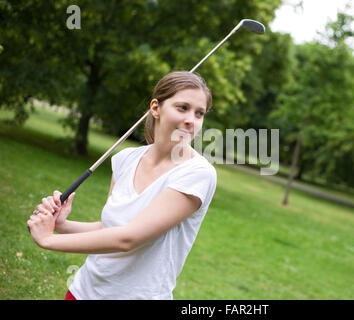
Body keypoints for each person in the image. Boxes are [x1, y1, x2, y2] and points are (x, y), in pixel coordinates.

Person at [27, 71, 217, 300]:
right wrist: (61, 225)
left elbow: (128, 238)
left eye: (199, 113)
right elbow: (111, 228)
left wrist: (49, 240)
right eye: (182, 107)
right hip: (83, 291)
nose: (191, 120)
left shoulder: (197, 174)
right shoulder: (125, 159)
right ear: (155, 108)